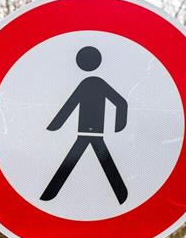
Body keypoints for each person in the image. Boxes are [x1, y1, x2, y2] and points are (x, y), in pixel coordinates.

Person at [40, 46, 129, 204]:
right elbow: (120, 103)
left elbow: (70, 105)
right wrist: (118, 125)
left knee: (75, 161)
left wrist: (55, 125)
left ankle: (49, 194)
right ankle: (122, 195)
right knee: (96, 161)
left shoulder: (90, 84)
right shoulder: (94, 83)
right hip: (90, 133)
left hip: (90, 133)